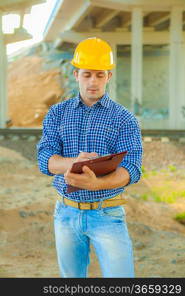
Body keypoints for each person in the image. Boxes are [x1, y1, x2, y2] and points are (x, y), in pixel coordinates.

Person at [37, 37, 143, 278]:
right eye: (87, 75)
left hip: (107, 213)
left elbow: (132, 168)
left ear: (109, 76)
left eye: (99, 74)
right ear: (76, 75)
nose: (93, 82)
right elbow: (45, 159)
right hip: (65, 213)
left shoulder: (124, 119)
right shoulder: (57, 113)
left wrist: (98, 184)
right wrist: (73, 162)